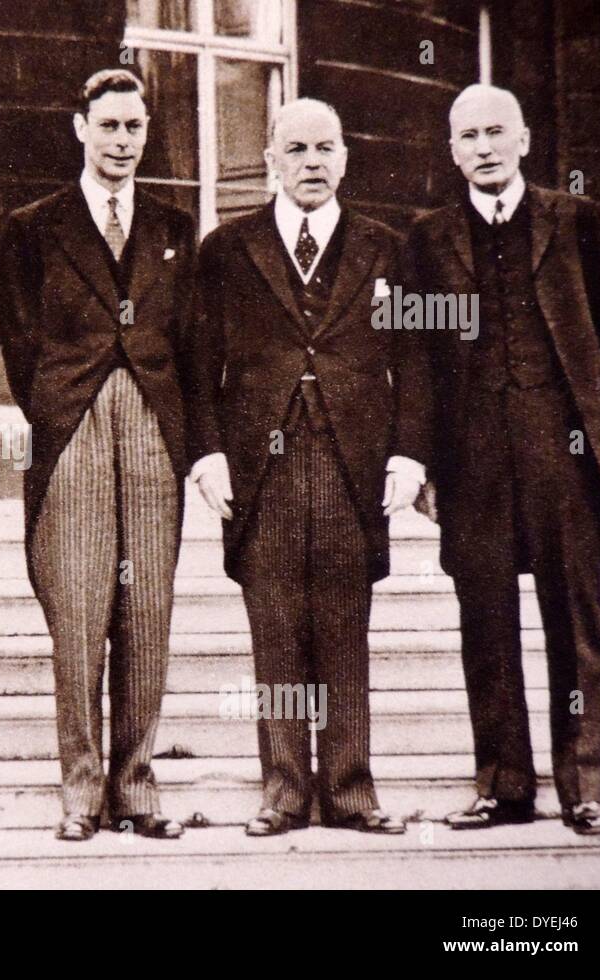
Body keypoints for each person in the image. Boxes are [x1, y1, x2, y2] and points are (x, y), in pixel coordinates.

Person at [192, 98, 431, 837]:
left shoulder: (386, 249)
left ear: (346, 157)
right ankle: (285, 791)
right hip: (260, 462)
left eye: (326, 147)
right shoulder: (227, 249)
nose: (312, 163)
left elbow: (416, 359)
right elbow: (200, 361)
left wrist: (409, 452)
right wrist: (207, 454)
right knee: (274, 629)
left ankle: (353, 791)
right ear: (270, 158)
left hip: (350, 460)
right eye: (295, 149)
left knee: (344, 627)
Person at [405, 84, 600, 836]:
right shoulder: (426, 239)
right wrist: (428, 463)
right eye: (469, 137)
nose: (485, 148)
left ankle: (582, 784)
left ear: (525, 140)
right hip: (473, 463)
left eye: (497, 132)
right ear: (453, 151)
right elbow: (422, 354)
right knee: (486, 623)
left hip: (560, 452)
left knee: (576, 619)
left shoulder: (574, 218)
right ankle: (503, 785)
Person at [0, 69, 200, 842]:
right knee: (80, 611)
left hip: (153, 420)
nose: (122, 141)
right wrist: (56, 405)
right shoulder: (33, 225)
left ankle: (137, 785)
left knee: (145, 610)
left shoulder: (174, 226)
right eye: (109, 125)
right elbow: (19, 337)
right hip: (73, 419)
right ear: (80, 128)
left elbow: (188, 336)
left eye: (134, 127)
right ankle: (82, 790)